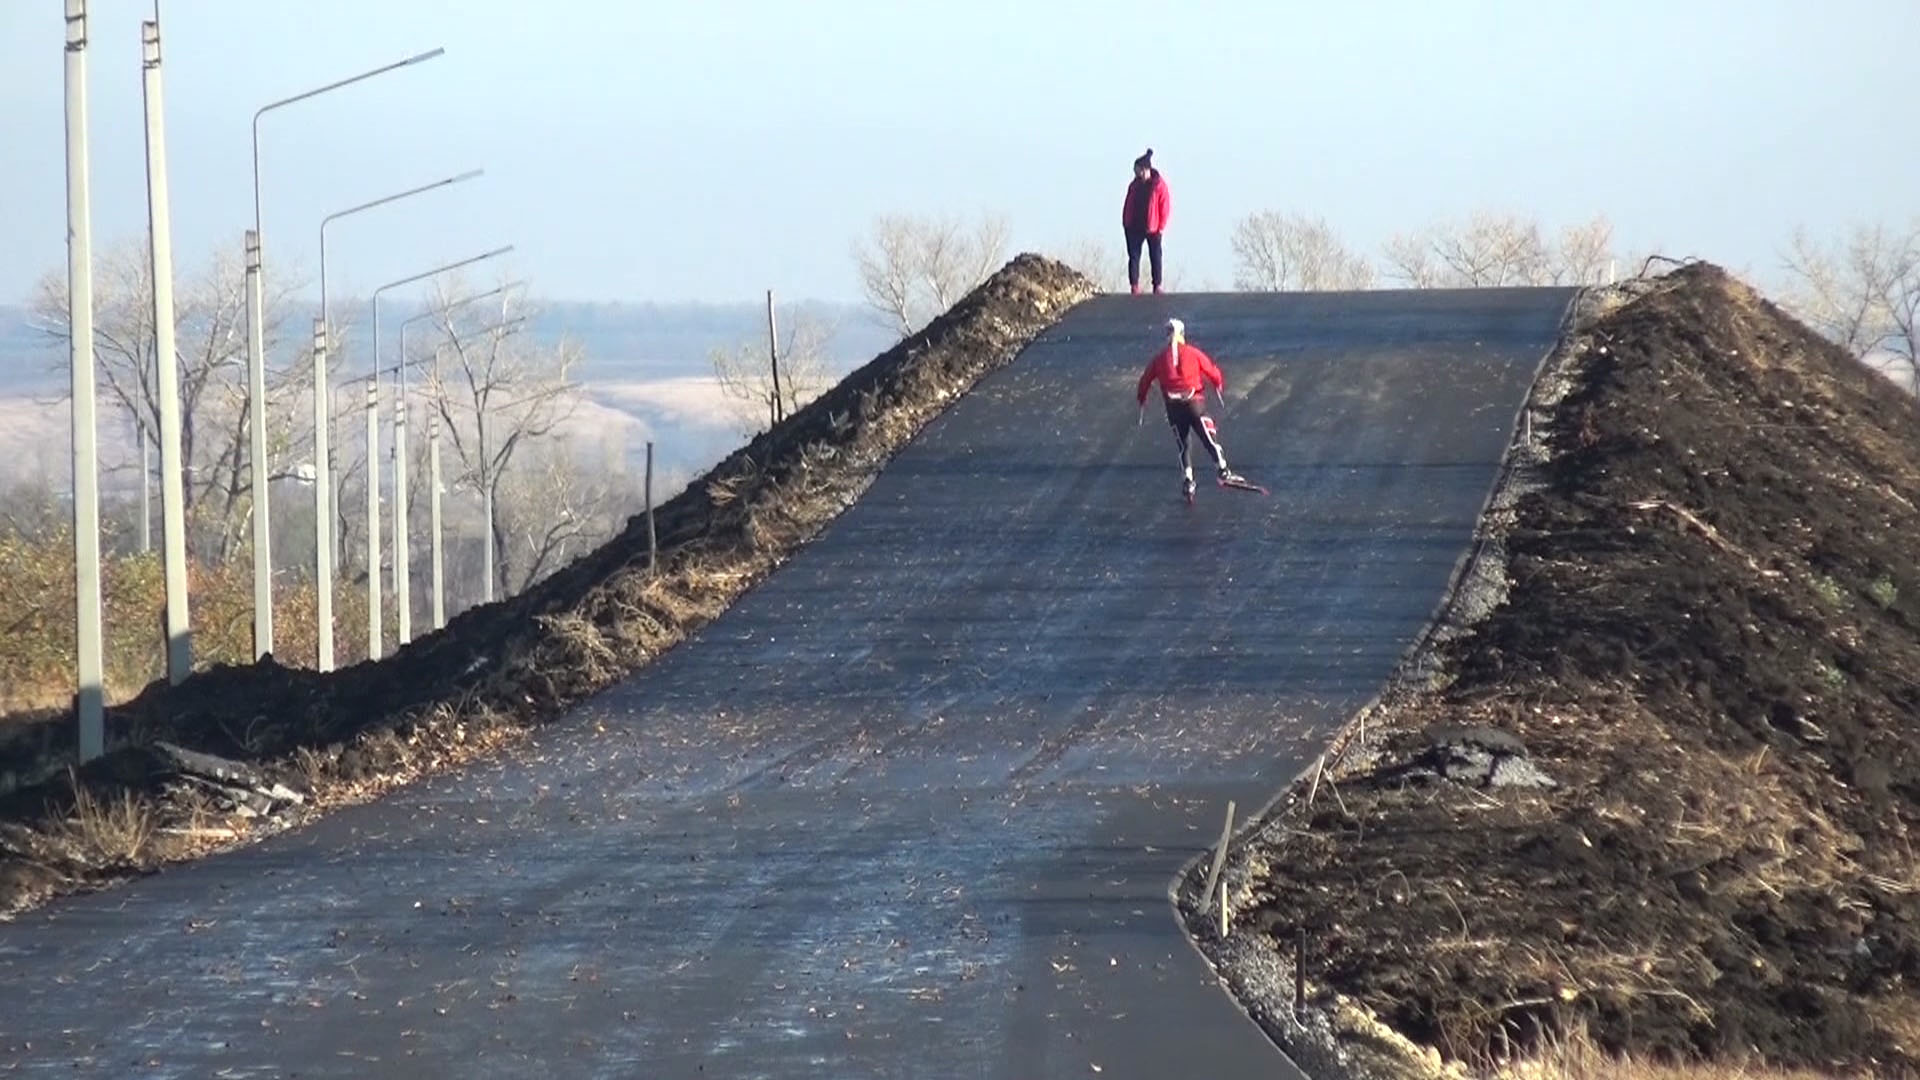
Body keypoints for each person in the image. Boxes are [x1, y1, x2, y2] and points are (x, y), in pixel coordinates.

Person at [1136, 318, 1244, 500]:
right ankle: (1223, 470)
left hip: (1173, 407)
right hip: (1194, 403)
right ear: (1182, 334)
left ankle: (1188, 479)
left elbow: (1145, 380)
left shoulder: (1159, 358)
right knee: (1209, 437)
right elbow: (1212, 371)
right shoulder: (1193, 352)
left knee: (1183, 445)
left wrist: (1142, 399)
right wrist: (1218, 384)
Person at [1121, 149, 1171, 295]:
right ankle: (1134, 285)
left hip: (1153, 227)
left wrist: (1161, 226)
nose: (1137, 174)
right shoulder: (1134, 185)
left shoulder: (1159, 185)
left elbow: (1165, 206)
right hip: (1134, 226)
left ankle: (1157, 285)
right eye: (1136, 172)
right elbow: (1128, 204)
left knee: (1155, 255)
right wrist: (1126, 222)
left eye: (1139, 171)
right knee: (1134, 256)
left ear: (1146, 169)